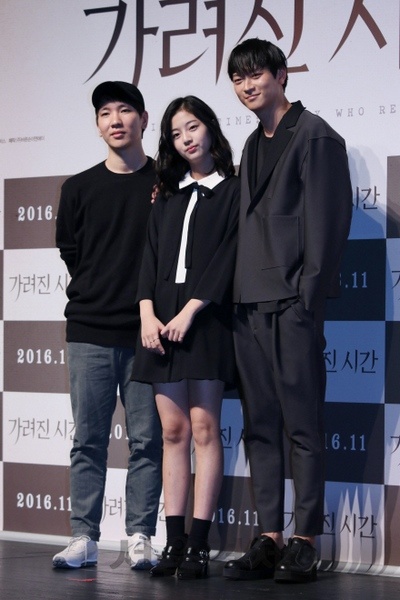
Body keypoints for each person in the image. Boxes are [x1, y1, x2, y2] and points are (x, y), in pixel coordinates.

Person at [222, 39, 352, 584]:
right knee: (260, 427)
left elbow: (328, 220)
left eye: (256, 74)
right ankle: (269, 535)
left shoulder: (315, 134)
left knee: (302, 425)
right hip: (248, 302)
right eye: (238, 78)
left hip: (291, 303)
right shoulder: (253, 142)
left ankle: (305, 540)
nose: (247, 85)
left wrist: (307, 299)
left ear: (281, 75)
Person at [52, 81, 162, 570]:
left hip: (148, 333)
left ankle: (141, 535)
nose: (115, 120)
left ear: (144, 119)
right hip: (90, 330)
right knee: (88, 440)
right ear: (98, 125)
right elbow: (70, 251)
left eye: (125, 110)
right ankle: (84, 537)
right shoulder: (78, 187)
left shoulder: (167, 184)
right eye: (105, 113)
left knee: (147, 441)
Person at [131, 96, 240, 580]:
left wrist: (191, 311)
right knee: (172, 433)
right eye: (176, 134)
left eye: (192, 127)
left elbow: (228, 258)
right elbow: (149, 259)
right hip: (160, 325)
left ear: (210, 128)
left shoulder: (234, 191)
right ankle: (173, 543)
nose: (186, 139)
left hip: (206, 322)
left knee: (203, 429)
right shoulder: (167, 196)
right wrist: (147, 315)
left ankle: (198, 546)